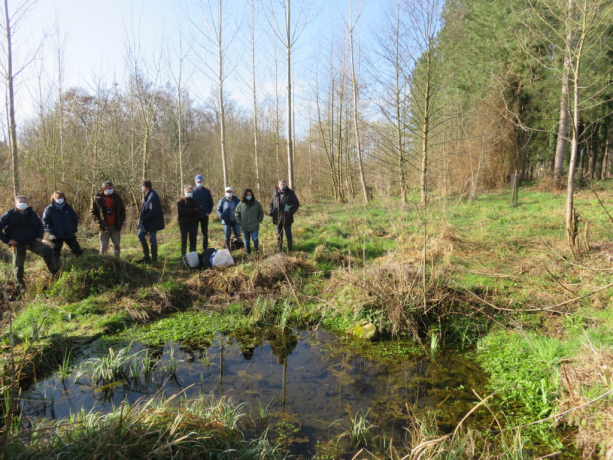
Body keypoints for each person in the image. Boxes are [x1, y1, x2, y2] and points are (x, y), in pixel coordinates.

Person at [0, 196, 60, 293]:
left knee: (48, 251)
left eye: (24, 202)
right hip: (17, 244)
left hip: (32, 241)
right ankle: (21, 287)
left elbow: (40, 225)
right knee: (18, 265)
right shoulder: (9, 215)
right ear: (15, 204)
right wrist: (7, 240)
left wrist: (40, 237)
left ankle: (57, 274)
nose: (22, 204)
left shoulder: (31, 213)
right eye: (20, 202)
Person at [42, 191, 83, 259]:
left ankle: (79, 263)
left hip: (69, 234)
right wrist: (52, 231)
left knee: (77, 250)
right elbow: (45, 222)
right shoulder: (49, 209)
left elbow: (74, 219)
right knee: (54, 253)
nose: (60, 199)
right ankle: (56, 267)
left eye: (61, 197)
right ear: (53, 198)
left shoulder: (68, 208)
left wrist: (74, 229)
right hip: (56, 236)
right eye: (58, 197)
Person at [90, 180, 126, 257]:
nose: (111, 190)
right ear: (103, 189)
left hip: (115, 226)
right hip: (103, 226)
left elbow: (122, 210)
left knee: (116, 244)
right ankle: (103, 262)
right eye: (109, 188)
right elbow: (92, 212)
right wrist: (99, 223)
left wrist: (121, 222)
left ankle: (117, 261)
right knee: (103, 247)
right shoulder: (97, 199)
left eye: (111, 188)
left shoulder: (117, 197)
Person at [137, 179, 165, 263]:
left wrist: (144, 218)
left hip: (152, 222)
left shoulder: (152, 195)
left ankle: (154, 258)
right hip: (147, 221)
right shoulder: (148, 194)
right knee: (140, 235)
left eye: (142, 186)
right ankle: (146, 256)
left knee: (152, 238)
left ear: (144, 187)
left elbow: (153, 211)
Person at [269, 179, 300, 252]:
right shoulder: (275, 193)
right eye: (281, 184)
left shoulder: (290, 193)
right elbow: (271, 204)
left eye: (284, 184)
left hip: (287, 217)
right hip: (278, 218)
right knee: (279, 234)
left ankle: (290, 250)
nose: (283, 186)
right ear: (278, 185)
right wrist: (270, 212)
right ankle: (279, 250)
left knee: (288, 234)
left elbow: (296, 203)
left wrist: (292, 211)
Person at [235, 188, 264, 254]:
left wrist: (259, 220)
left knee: (255, 239)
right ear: (245, 195)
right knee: (246, 240)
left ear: (252, 195)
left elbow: (261, 212)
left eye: (250, 194)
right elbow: (236, 212)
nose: (249, 196)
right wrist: (239, 222)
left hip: (254, 225)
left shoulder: (256, 203)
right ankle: (248, 253)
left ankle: (257, 251)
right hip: (245, 226)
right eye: (247, 194)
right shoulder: (241, 204)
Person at [177, 185, 201, 256]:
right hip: (183, 223)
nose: (189, 193)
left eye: (190, 192)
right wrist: (192, 211)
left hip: (193, 223)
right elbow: (180, 211)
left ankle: (193, 255)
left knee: (193, 239)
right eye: (188, 192)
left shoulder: (195, 201)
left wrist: (186, 210)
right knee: (183, 239)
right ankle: (183, 256)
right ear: (184, 192)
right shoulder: (180, 201)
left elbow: (197, 211)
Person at [193, 174, 214, 251]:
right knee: (194, 234)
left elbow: (211, 203)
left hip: (204, 216)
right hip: (195, 216)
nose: (199, 182)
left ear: (203, 182)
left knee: (205, 234)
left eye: (201, 181)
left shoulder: (207, 191)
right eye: (198, 181)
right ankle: (193, 249)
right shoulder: (192, 191)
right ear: (195, 182)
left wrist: (208, 211)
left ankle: (205, 249)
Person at [216, 186, 240, 250]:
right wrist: (221, 216)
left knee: (237, 234)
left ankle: (237, 246)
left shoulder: (237, 200)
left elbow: (241, 209)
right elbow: (218, 210)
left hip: (235, 221)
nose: (229, 193)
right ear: (225, 192)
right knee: (227, 236)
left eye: (230, 191)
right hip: (226, 221)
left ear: (232, 192)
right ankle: (228, 249)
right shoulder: (222, 200)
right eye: (227, 191)